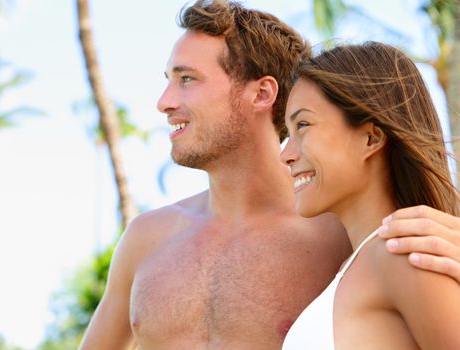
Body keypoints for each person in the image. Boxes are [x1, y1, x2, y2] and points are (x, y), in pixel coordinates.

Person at [80, 1, 460, 349]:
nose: (164, 102)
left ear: (262, 93)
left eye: (187, 79)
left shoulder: (346, 235)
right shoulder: (146, 240)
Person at [281, 41, 460, 349]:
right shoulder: (360, 263)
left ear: (371, 138)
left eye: (303, 125)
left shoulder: (403, 253)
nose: (286, 154)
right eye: (288, 133)